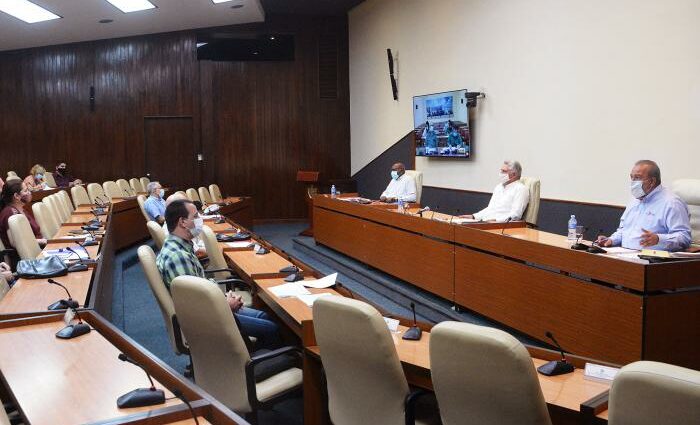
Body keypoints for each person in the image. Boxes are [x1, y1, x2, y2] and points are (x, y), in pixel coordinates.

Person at [156, 199, 279, 349]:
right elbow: (194, 306)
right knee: (272, 329)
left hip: (212, 306)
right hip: (208, 320)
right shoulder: (178, 257)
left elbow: (199, 286)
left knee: (264, 316)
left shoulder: (180, 247)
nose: (199, 220)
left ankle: (253, 354)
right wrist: (226, 304)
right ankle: (257, 367)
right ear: (182, 222)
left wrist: (224, 297)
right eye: (195, 216)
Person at [596, 160, 691, 251]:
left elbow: (684, 237)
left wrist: (659, 239)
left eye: (637, 178)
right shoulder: (635, 200)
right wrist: (611, 240)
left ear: (652, 181)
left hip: (654, 261)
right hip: (625, 255)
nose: (633, 182)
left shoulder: (672, 203)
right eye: (631, 177)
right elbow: (624, 230)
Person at [461, 160, 529, 222]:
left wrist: (496, 220)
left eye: (504, 171)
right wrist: (474, 216)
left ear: (514, 174)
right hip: (486, 222)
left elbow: (515, 215)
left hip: (501, 226)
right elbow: (490, 209)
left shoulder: (521, 189)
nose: (501, 173)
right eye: (501, 171)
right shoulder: (499, 187)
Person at [0, 180, 47, 252]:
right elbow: (16, 243)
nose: (29, 192)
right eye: (26, 190)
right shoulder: (9, 213)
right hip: (28, 256)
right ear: (16, 196)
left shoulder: (22, 209)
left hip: (38, 249)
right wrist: (42, 241)